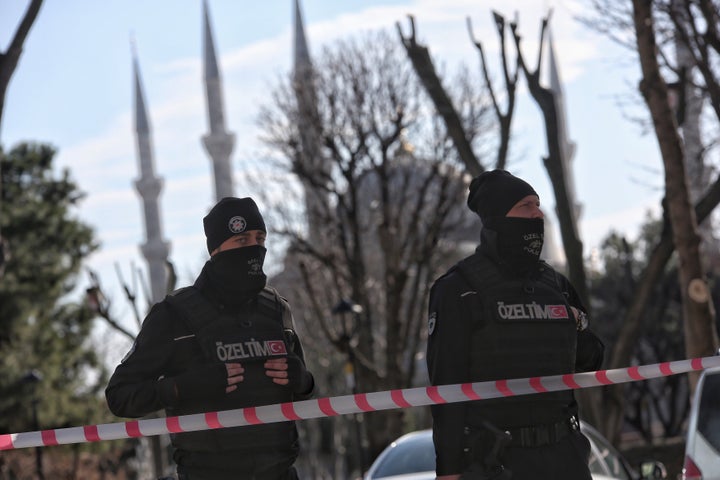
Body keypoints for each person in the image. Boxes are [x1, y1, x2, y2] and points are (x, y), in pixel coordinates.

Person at [106, 197, 315, 480]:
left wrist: (303, 381)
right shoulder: (173, 315)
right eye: (241, 241)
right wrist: (182, 388)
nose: (254, 248)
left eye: (260, 238)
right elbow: (120, 397)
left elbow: (307, 396)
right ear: (216, 250)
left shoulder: (277, 310)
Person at [426, 170, 604, 480]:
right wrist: (448, 471)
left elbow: (591, 359)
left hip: (564, 457)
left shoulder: (556, 285)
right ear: (498, 216)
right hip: (497, 462)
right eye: (525, 206)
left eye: (538, 204)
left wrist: (576, 323)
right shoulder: (459, 289)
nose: (537, 214)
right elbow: (447, 388)